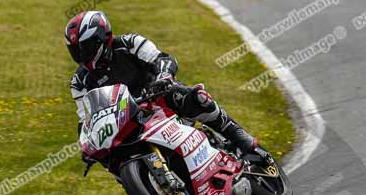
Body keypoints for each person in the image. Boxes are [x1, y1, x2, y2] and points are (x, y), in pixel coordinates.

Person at [66, 10, 269, 159]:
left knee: (195, 97)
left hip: (157, 97)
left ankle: (239, 137)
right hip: (126, 120)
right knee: (108, 155)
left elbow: (163, 58)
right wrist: (86, 144)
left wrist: (163, 76)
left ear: (103, 38)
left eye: (85, 48)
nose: (82, 56)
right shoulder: (79, 81)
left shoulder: (129, 43)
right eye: (76, 51)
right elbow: (85, 119)